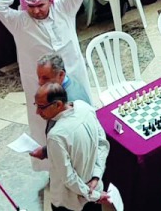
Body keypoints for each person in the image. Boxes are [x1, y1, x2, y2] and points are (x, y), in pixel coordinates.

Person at [0, 0, 91, 172]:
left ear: (50, 0)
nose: (36, 11)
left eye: (40, 6)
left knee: (82, 113)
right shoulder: (19, 22)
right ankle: (52, 165)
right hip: (41, 85)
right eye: (31, 7)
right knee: (43, 124)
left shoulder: (64, 7)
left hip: (73, 76)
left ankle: (87, 155)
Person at [35, 83, 112, 211]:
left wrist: (95, 195)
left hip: (69, 201)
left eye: (42, 107)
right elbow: (102, 144)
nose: (37, 112)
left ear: (58, 104)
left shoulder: (56, 136)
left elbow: (69, 177)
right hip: (94, 189)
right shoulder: (85, 107)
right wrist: (96, 176)